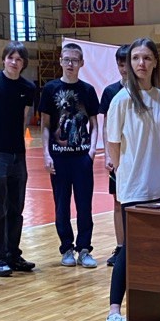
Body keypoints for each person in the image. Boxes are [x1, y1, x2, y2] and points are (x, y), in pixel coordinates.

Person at [103, 37, 160, 321]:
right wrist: (124, 173)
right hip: (133, 186)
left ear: (155, 61)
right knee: (129, 248)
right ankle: (113, 313)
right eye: (135, 58)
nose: (141, 63)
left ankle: (150, 308)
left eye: (146, 58)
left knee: (154, 248)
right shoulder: (121, 100)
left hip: (158, 185)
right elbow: (113, 144)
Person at [0, 42, 38, 277]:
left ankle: (13, 254)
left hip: (18, 154)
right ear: (4, 59)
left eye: (19, 59)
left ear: (24, 64)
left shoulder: (28, 87)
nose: (14, 62)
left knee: (16, 207)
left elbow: (24, 117)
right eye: (11, 57)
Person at [39, 41, 101, 268]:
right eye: (67, 60)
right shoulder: (50, 89)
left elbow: (94, 124)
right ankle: (66, 248)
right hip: (59, 158)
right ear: (60, 61)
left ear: (82, 63)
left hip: (81, 158)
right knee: (61, 205)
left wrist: (92, 150)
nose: (70, 64)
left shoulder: (88, 90)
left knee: (84, 205)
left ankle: (84, 249)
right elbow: (45, 125)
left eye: (75, 60)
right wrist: (46, 154)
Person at [101, 44, 130, 266]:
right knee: (118, 203)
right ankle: (121, 247)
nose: (124, 69)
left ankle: (136, 246)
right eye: (121, 65)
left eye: (127, 64)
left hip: (136, 158)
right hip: (118, 158)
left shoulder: (146, 92)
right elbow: (106, 127)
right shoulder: (110, 92)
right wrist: (108, 155)